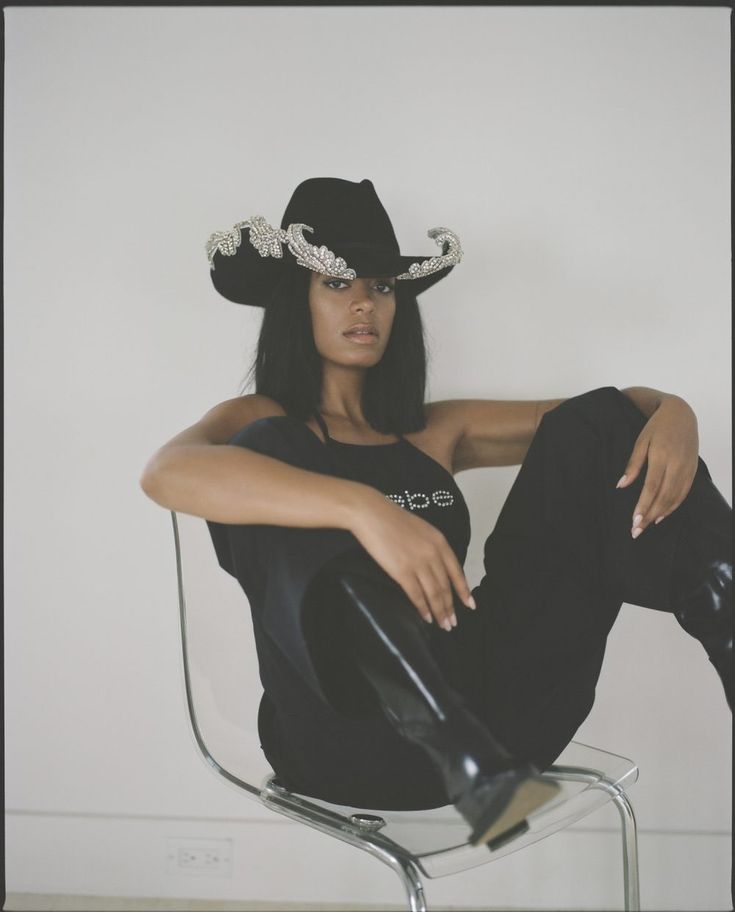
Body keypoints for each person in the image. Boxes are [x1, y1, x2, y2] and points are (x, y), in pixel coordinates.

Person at [140, 177, 732, 853]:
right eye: (337, 284)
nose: (364, 302)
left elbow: (606, 417)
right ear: (295, 299)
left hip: (496, 722)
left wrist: (671, 411)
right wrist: (362, 509)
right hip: (348, 736)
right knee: (265, 457)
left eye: (382, 286)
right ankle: (461, 755)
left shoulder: (434, 432)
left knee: (596, 424)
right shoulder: (262, 421)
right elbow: (166, 472)